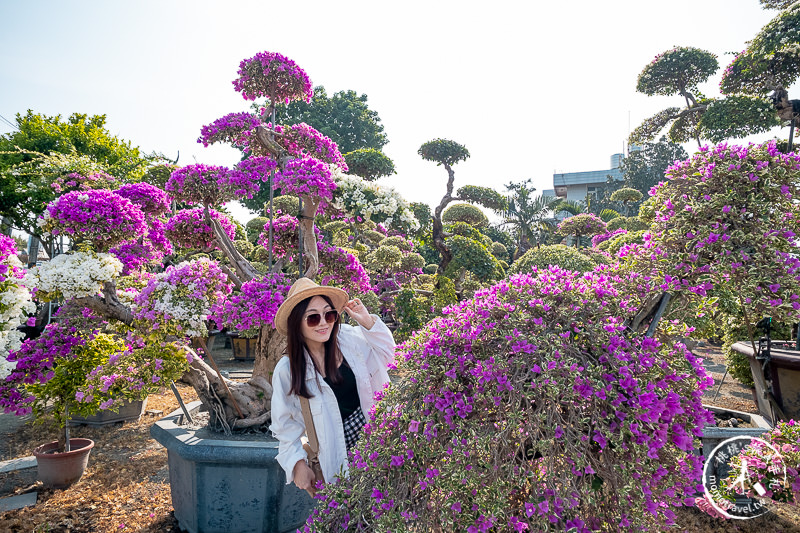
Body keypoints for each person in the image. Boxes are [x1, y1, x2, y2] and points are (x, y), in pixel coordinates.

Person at [269, 277, 396, 493]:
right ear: (296, 323)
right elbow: (285, 427)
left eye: (329, 314)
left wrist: (367, 322)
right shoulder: (288, 370)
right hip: (337, 452)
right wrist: (297, 464)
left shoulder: (348, 339)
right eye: (312, 318)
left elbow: (389, 355)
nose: (323, 323)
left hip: (379, 441)